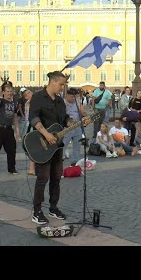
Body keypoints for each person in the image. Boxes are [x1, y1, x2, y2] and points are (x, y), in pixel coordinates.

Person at [28, 71, 92, 225]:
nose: (63, 88)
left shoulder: (59, 101)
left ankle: (53, 207)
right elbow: (33, 118)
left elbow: (64, 120)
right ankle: (37, 211)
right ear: (53, 82)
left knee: (56, 178)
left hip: (57, 145)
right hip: (42, 143)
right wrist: (45, 134)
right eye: (62, 84)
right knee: (42, 178)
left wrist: (76, 123)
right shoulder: (38, 97)